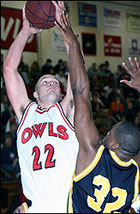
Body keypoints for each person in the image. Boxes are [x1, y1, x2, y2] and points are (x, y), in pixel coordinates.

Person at [54, 9, 140, 213]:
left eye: (110, 132)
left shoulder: (92, 153)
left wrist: (73, 43)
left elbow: (80, 91)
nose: (106, 133)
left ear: (114, 144)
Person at [3, 3, 79, 212]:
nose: (51, 82)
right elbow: (9, 69)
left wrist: (68, 36)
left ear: (62, 93)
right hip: (35, 207)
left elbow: (77, 77)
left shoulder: (67, 111)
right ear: (34, 94)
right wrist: (26, 30)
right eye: (44, 81)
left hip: (69, 205)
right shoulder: (25, 112)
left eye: (55, 81)